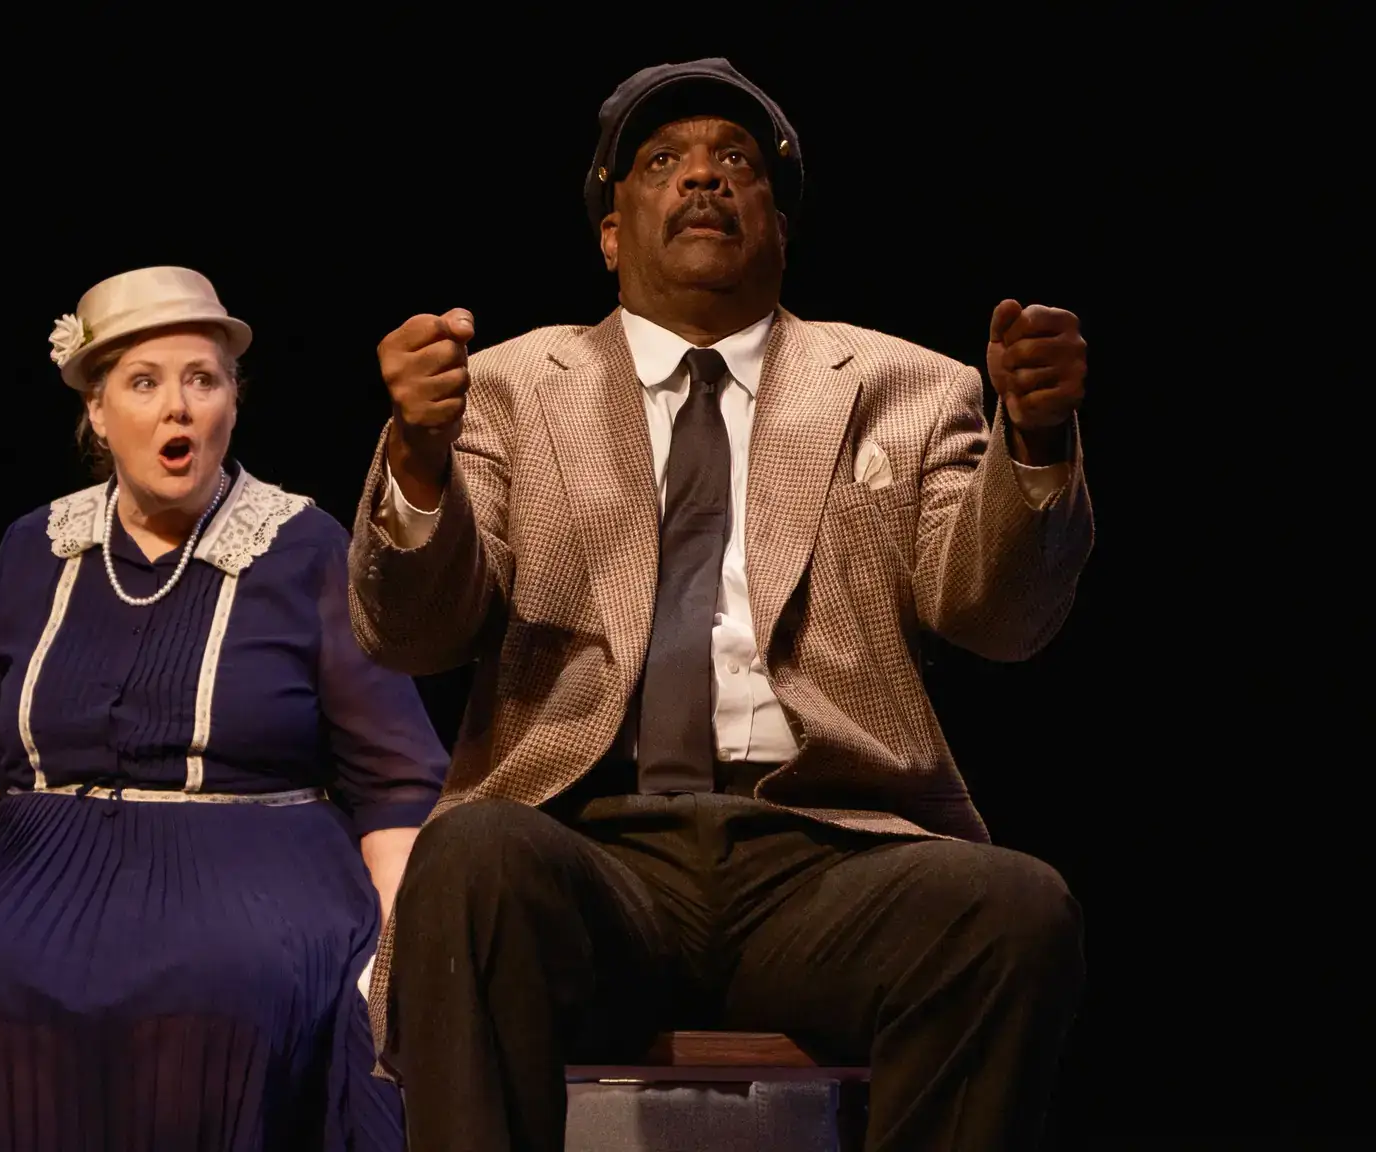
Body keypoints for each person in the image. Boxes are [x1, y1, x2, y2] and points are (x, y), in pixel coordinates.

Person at [348, 59, 1093, 1151]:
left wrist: (1034, 442)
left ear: (779, 228)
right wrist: (418, 460)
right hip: (588, 848)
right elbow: (413, 633)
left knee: (1014, 911)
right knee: (468, 858)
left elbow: (999, 616)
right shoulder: (505, 390)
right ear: (611, 234)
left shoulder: (906, 386)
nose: (703, 177)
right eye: (663, 161)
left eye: (736, 160)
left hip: (825, 858)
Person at [0, 265, 448, 1152]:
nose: (178, 409)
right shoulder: (37, 546)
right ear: (97, 412)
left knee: (214, 993)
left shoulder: (305, 547)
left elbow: (396, 778)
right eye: (144, 383)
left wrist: (391, 954)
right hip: (35, 870)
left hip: (253, 876)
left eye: (203, 380)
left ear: (233, 403)